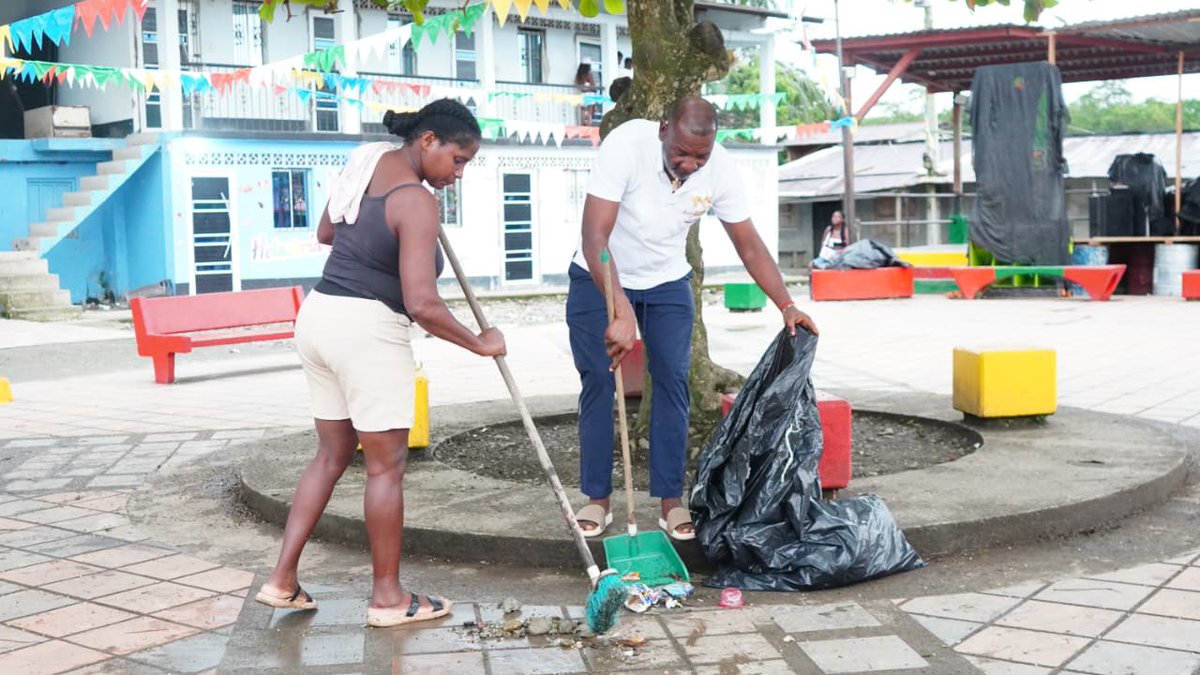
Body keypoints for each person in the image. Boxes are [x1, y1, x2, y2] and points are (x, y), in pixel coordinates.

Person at [253, 99, 506, 628]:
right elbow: (423, 304)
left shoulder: (366, 161)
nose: (458, 176)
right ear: (428, 140)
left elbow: (328, 233)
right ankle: (389, 598)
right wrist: (479, 342)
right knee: (385, 466)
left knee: (331, 453)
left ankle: (281, 581)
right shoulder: (416, 201)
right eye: (458, 161)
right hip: (367, 331)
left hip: (319, 316)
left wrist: (385, 238)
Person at [567, 96, 818, 541]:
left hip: (667, 281)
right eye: (681, 153)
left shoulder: (718, 169)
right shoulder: (626, 145)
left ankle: (670, 502)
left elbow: (749, 244)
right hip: (599, 272)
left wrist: (787, 304)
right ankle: (597, 500)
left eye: (699, 156)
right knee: (599, 380)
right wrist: (619, 306)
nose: (688, 164)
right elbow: (594, 236)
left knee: (673, 381)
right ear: (664, 129)